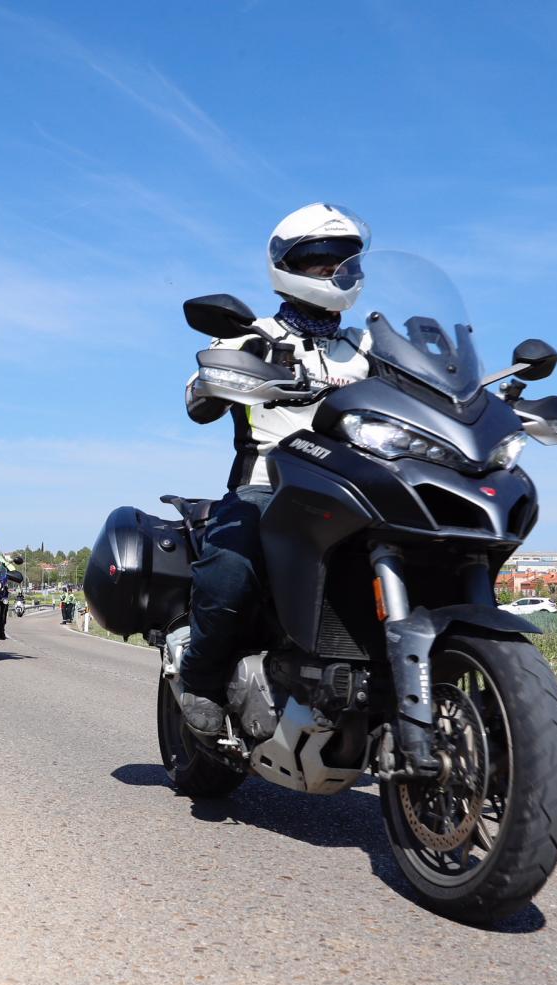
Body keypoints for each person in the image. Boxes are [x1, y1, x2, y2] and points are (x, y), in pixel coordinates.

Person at [178, 202, 372, 736]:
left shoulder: (367, 345)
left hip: (362, 487)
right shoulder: (253, 333)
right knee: (231, 572)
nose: (338, 273)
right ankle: (200, 677)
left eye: (347, 261)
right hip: (271, 482)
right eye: (323, 261)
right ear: (289, 267)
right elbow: (198, 396)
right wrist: (219, 381)